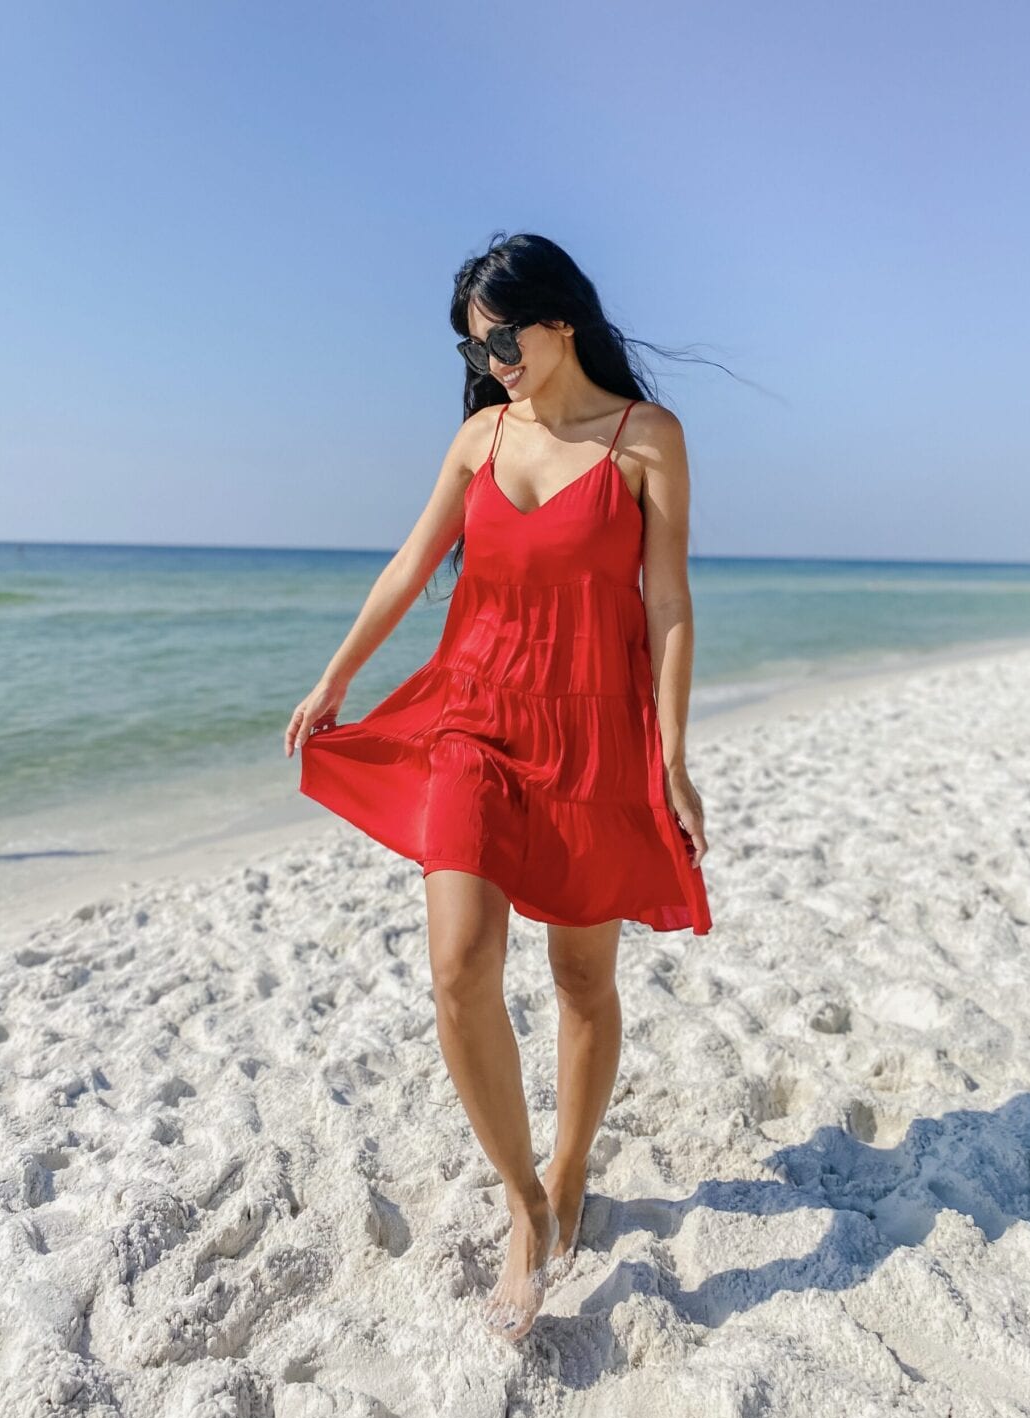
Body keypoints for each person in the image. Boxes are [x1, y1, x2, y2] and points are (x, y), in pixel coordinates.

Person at [284, 232, 712, 1342]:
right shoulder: (479, 438)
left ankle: (570, 1169)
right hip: (473, 715)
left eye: (505, 338)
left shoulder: (645, 440)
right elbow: (410, 562)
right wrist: (337, 676)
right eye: (475, 347)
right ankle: (524, 1202)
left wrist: (670, 753)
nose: (491, 361)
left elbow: (667, 604)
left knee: (580, 976)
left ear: (560, 321)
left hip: (594, 731)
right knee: (458, 964)